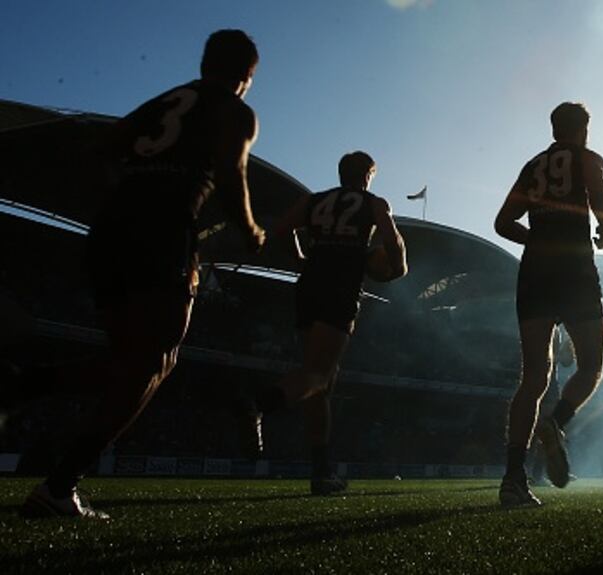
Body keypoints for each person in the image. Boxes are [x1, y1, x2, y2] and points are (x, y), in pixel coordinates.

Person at [13, 30, 265, 518]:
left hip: (110, 232)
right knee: (154, 363)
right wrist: (251, 230)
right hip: (163, 235)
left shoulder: (167, 98)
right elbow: (233, 175)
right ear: (247, 77)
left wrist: (127, 192)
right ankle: (58, 484)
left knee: (132, 360)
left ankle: (26, 387)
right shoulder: (236, 110)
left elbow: (102, 147)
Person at [248, 151, 407, 495]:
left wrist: (301, 257)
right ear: (367, 174)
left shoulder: (314, 200)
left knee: (320, 383)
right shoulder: (374, 202)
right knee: (319, 376)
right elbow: (392, 239)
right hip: (340, 286)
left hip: (309, 284)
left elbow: (280, 228)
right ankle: (259, 405)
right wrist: (397, 268)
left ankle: (321, 474)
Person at [494, 102, 603, 507]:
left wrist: (537, 239)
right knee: (592, 365)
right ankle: (555, 424)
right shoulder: (586, 158)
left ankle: (513, 479)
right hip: (575, 266)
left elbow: (502, 222)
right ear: (583, 129)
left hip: (534, 272)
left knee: (533, 376)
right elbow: (598, 186)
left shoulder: (533, 166)